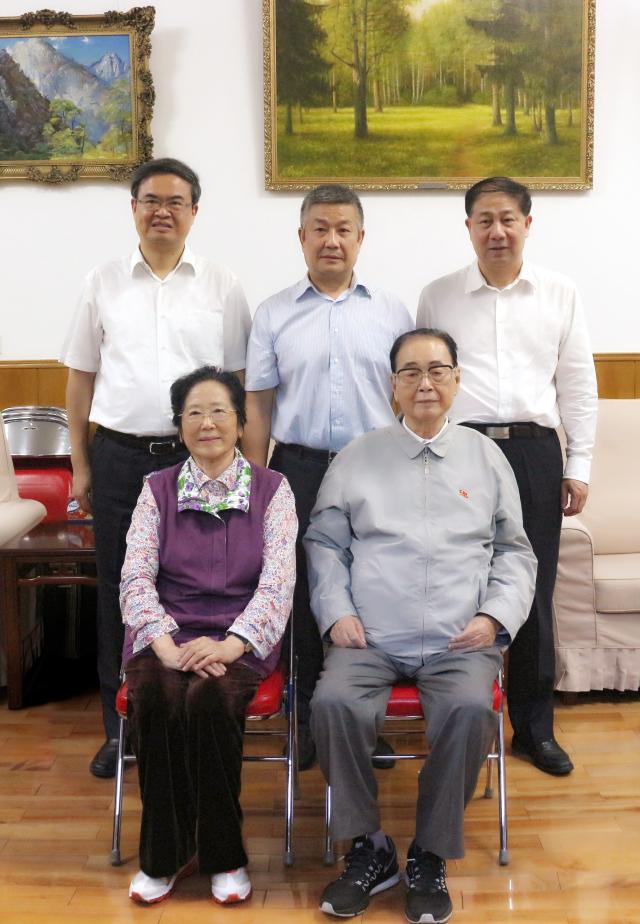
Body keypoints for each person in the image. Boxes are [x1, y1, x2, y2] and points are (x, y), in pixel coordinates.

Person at [305, 329, 536, 924]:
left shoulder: (487, 458)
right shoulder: (357, 456)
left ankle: (429, 852)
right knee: (332, 704)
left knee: (470, 710)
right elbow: (325, 544)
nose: (424, 383)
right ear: (393, 386)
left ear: (457, 380)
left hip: (462, 638)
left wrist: (493, 617)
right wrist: (337, 612)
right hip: (370, 636)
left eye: (437, 370)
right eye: (410, 372)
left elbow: (514, 552)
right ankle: (368, 846)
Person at [59, 158, 251, 778]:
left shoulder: (222, 285)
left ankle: (198, 711)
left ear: (194, 211)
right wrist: (80, 464)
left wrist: (245, 463)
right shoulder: (102, 281)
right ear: (134, 208)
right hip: (119, 458)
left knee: (202, 586)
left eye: (175, 201)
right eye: (150, 200)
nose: (162, 211)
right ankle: (122, 729)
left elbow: (239, 383)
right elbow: (80, 380)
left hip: (202, 459)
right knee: (121, 591)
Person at [417, 176, 598, 777]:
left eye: (508, 219)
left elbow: (578, 385)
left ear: (527, 224)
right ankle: (456, 714)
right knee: (455, 581)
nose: (497, 231)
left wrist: (579, 466)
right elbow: (422, 381)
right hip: (460, 451)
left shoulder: (560, 293)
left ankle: (534, 729)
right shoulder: (438, 296)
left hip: (534, 451)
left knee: (534, 591)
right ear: (468, 228)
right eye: (484, 220)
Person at [243, 184, 413, 769]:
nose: (331, 240)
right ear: (302, 237)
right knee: (300, 596)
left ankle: (364, 721)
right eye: (320, 228)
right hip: (299, 468)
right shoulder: (273, 312)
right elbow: (258, 403)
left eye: (343, 229)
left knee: (371, 591)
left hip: (376, 468)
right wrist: (256, 484)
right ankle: (306, 723)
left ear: (361, 238)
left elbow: (408, 396)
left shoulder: (392, 311)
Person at [120, 366, 296, 906]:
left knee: (211, 697)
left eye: (220, 411)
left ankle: (224, 855)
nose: (207, 423)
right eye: (193, 412)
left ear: (241, 423)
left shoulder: (274, 490)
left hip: (239, 637)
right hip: (167, 633)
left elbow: (278, 582)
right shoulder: (156, 489)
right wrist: (166, 646)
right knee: (156, 695)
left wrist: (231, 644)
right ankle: (164, 855)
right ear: (179, 426)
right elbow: (135, 577)